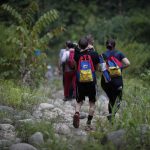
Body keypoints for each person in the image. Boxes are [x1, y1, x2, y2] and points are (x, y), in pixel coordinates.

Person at [100, 39, 130, 122]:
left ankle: (111, 116)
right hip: (117, 81)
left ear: (106, 45)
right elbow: (128, 63)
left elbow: (100, 69)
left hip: (106, 81)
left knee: (111, 98)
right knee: (118, 99)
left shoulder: (102, 55)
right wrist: (120, 68)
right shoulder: (119, 53)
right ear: (114, 45)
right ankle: (112, 115)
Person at [73, 37, 100, 129]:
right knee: (92, 103)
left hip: (80, 80)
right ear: (88, 44)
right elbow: (97, 68)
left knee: (79, 101)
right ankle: (88, 123)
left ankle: (77, 113)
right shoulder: (94, 54)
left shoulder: (77, 55)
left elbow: (75, 67)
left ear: (79, 45)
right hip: (91, 81)